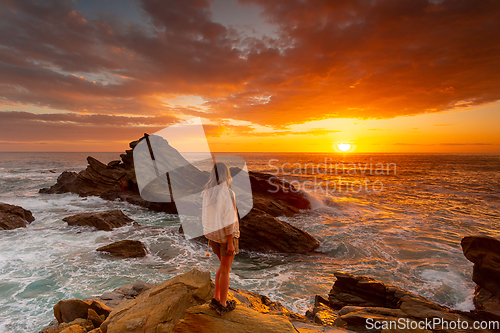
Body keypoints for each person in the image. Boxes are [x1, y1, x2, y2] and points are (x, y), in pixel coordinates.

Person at [201, 162, 240, 315]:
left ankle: (216, 298)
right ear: (226, 175)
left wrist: (210, 235)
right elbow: (229, 219)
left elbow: (205, 216)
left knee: (222, 267)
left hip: (214, 236)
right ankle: (223, 304)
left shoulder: (207, 192)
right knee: (225, 270)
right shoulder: (228, 193)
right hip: (226, 237)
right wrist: (230, 241)